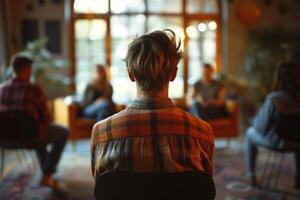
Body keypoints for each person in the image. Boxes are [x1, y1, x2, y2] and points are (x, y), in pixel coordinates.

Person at [90, 29, 214, 179]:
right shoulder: (202, 132)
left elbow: (102, 189)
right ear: (174, 74)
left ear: (131, 74)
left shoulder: (101, 133)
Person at [0, 56, 68, 192]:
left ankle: (46, 171)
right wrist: (42, 125)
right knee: (62, 132)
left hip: (5, 139)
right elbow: (47, 118)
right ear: (26, 70)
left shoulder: (1, 89)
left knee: (38, 130)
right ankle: (48, 174)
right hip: (31, 138)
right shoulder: (34, 89)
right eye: (30, 69)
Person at [244, 62, 300, 189]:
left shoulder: (274, 99)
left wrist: (253, 120)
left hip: (280, 142)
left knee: (249, 133)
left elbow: (261, 128)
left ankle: (251, 174)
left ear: (280, 78)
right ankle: (298, 180)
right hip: (298, 142)